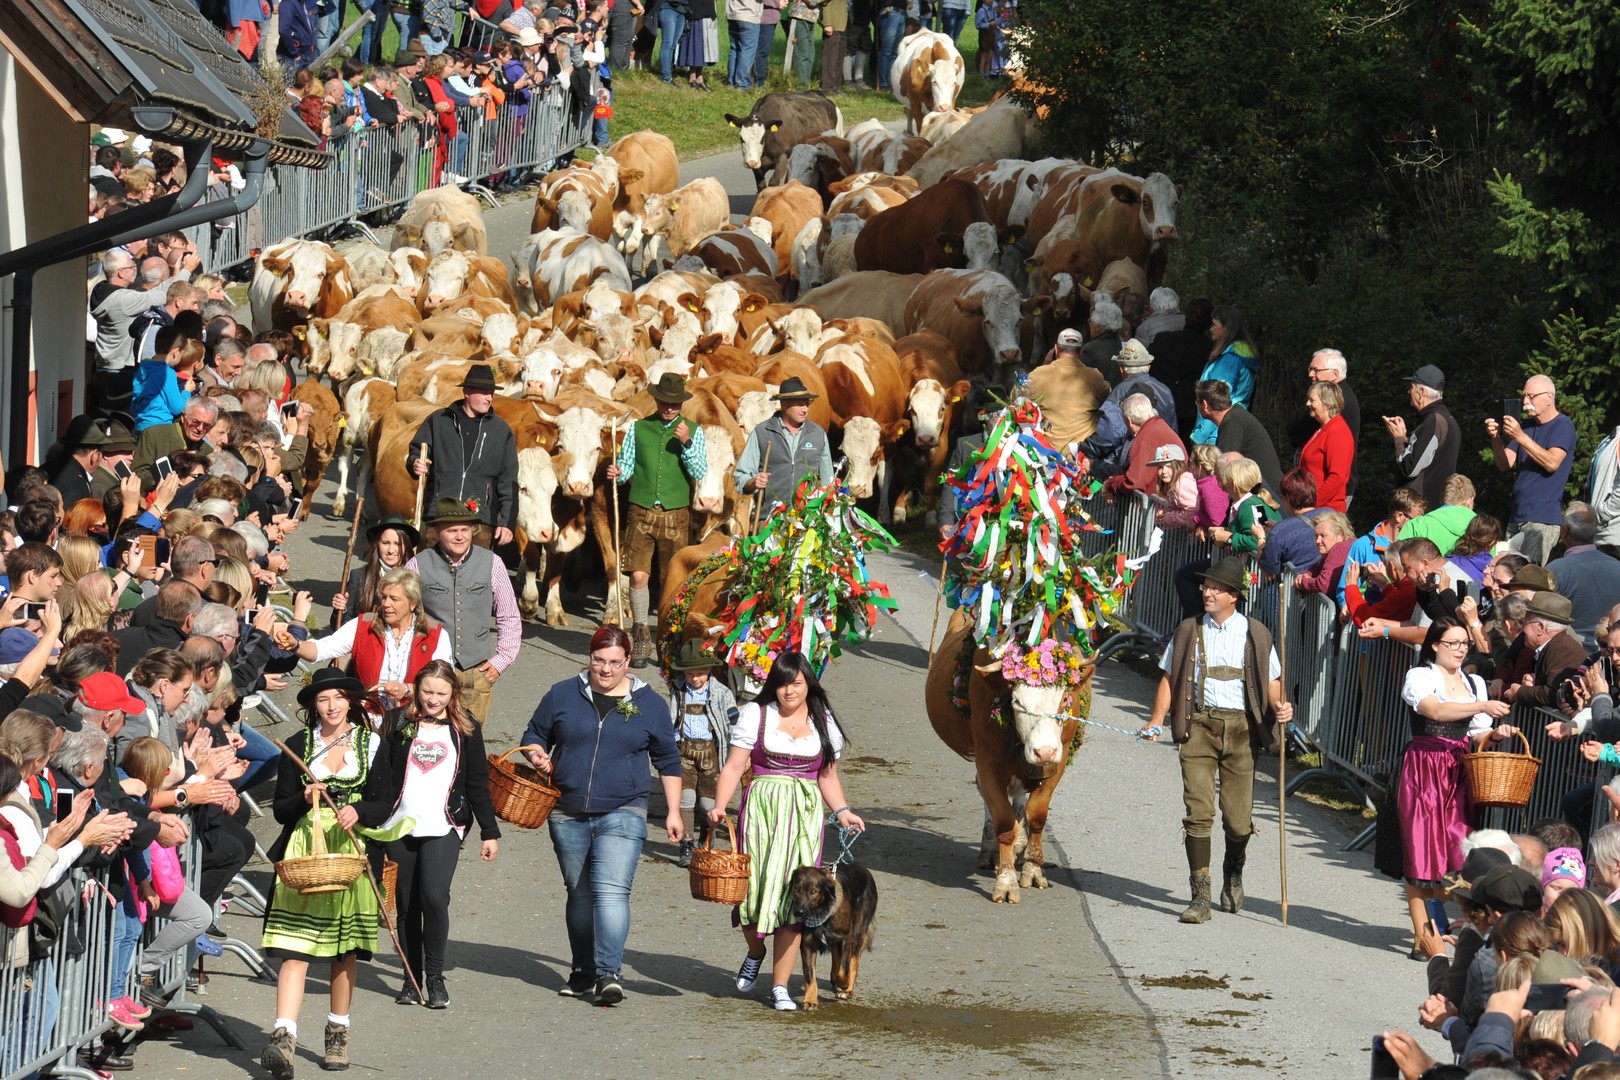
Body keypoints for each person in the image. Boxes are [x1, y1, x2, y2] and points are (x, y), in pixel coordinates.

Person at [519, 625, 682, 1005]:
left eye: (614, 663)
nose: (606, 670)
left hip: (624, 808)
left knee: (610, 892)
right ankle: (583, 970)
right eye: (598, 661)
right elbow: (534, 733)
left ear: (628, 662)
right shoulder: (562, 693)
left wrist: (673, 811)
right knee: (579, 894)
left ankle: (609, 972)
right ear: (588, 658)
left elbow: (668, 760)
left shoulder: (650, 704)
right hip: (566, 808)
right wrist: (536, 754)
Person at [261, 668, 405, 1078]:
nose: (332, 706)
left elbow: (386, 801)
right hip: (304, 853)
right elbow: (280, 810)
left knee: (343, 951)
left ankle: (337, 1034)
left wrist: (358, 810)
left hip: (352, 854)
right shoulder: (295, 745)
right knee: (297, 945)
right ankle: (283, 1038)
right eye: (323, 700)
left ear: (352, 702)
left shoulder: (372, 743)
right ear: (312, 707)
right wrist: (306, 799)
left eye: (339, 698)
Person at [1141, 557, 1292, 924]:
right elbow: (1169, 678)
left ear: (1234, 596)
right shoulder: (1188, 630)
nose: (1207, 592)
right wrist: (1157, 719)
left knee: (1238, 822)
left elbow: (1273, 680)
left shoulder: (1256, 634)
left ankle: (1234, 869)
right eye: (1206, 586)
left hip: (1242, 732)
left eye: (1215, 588)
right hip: (1199, 727)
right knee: (1198, 813)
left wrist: (1279, 704)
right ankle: (1200, 897)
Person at [708, 651, 862, 1010]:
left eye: (796, 682)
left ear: (808, 682)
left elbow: (827, 776)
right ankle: (755, 950)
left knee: (797, 902)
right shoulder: (756, 715)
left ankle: (779, 987)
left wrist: (842, 811)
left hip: (805, 815)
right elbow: (733, 768)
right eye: (782, 683)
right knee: (752, 894)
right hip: (762, 811)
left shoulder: (824, 722)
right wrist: (719, 805)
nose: (789, 691)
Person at [377, 660, 499, 1009]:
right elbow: (380, 774)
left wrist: (489, 831)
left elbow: (477, 782)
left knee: (433, 897)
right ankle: (410, 978)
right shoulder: (396, 722)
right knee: (405, 905)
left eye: (441, 693)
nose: (433, 699)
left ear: (453, 694)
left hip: (444, 825)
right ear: (416, 688)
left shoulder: (465, 728)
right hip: (398, 825)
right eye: (426, 691)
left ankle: (434, 976)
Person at [1393, 618, 1515, 955]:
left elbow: (1476, 734)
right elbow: (1434, 709)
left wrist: (1494, 734)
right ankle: (1424, 936)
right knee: (1421, 853)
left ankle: (1437, 926)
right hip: (1424, 767)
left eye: (1464, 644)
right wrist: (1482, 705)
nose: (1461, 650)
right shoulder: (1421, 676)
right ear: (1435, 645)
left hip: (1458, 771)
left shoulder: (1472, 682)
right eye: (1453, 643)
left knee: (1454, 852)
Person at [609, 374, 709, 668]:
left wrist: (686, 442)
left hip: (676, 514)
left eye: (674, 403)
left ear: (680, 403)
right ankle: (640, 634)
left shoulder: (692, 431)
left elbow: (700, 469)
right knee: (639, 575)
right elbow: (627, 465)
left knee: (671, 579)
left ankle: (668, 636)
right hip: (640, 510)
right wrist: (618, 473)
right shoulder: (639, 428)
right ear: (656, 399)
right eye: (665, 401)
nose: (669, 407)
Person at [405, 500, 521, 726]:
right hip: (432, 670)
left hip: (475, 672)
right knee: (429, 738)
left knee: (470, 744)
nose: (460, 536)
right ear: (437, 532)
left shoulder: (492, 563)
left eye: (465, 530)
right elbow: (402, 614)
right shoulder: (418, 564)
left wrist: (502, 659)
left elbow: (509, 616)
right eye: (452, 531)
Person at [299, 568, 452, 709]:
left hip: (414, 717)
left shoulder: (434, 634)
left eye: (394, 599)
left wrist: (407, 690)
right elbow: (320, 649)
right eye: (384, 597)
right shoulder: (364, 625)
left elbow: (444, 684)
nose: (386, 604)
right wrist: (295, 644)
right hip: (369, 716)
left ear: (412, 603)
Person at [408, 365, 519, 549]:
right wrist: (415, 463)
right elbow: (417, 451)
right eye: (484, 392)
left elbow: (509, 481)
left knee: (475, 577)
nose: (489, 398)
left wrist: (507, 522)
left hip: (480, 520)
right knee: (431, 574)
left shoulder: (501, 431)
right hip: (439, 516)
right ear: (467, 392)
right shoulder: (438, 421)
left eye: (491, 393)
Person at [1488, 374, 1578, 565]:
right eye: (1524, 397)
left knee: (1528, 578)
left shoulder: (1563, 426)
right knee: (1507, 574)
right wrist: (1495, 438)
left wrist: (1520, 437)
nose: (1525, 402)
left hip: (1541, 520)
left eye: (1531, 396)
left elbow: (1552, 463)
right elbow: (1504, 464)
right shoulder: (1527, 426)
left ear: (1549, 398)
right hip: (1517, 515)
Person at [666, 639, 737, 867]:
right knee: (685, 799)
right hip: (684, 751)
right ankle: (686, 843)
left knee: (708, 805)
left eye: (700, 673)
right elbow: (671, 717)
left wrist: (737, 749)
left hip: (711, 754)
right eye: (690, 674)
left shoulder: (721, 693)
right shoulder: (678, 690)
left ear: (709, 671)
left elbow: (732, 722)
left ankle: (706, 836)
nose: (695, 679)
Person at [734, 377, 834, 526]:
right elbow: (740, 477)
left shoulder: (818, 434)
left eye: (807, 404)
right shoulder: (762, 432)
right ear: (784, 403)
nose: (805, 409)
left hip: (808, 522)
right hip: (770, 522)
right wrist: (754, 482)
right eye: (800, 404)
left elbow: (828, 482)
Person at [1384, 364, 1460, 509]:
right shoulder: (1447, 420)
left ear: (1422, 392)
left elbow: (1410, 468)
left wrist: (1399, 439)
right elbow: (1428, 459)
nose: (1408, 391)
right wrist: (1404, 438)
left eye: (1411, 387)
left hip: (1421, 510)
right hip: (1436, 507)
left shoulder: (1434, 423)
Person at [1548, 502, 1620, 651]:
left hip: (1567, 655)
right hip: (1610, 655)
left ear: (1564, 531)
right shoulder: (1617, 567)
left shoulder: (1555, 570)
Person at [330, 516, 420, 627]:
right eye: (386, 543)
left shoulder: (415, 580)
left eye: (397, 544)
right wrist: (340, 610)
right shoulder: (359, 576)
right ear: (377, 545)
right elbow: (340, 627)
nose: (391, 550)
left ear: (406, 547)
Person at [1196, 379, 1282, 491]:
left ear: (1205, 405)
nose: (1197, 405)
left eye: (1197, 402)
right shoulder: (1236, 416)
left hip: (1269, 496)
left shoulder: (1232, 424)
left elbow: (1222, 471)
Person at [1189, 306, 1258, 445]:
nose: (1210, 329)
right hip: (1230, 427)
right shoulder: (1239, 354)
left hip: (1215, 434)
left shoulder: (1230, 360)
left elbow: (1216, 401)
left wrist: (1198, 437)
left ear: (1226, 328)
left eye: (1214, 324)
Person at [1102, 394, 1185, 496]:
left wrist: (1111, 484)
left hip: (1163, 503)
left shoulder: (1146, 436)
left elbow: (1135, 482)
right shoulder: (1159, 426)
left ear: (1128, 420)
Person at [1297, 380, 1354, 512]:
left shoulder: (1337, 432)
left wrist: (1313, 505)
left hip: (1325, 512)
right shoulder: (1324, 429)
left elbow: (1337, 477)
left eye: (1312, 400)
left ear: (1327, 404)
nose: (1307, 404)